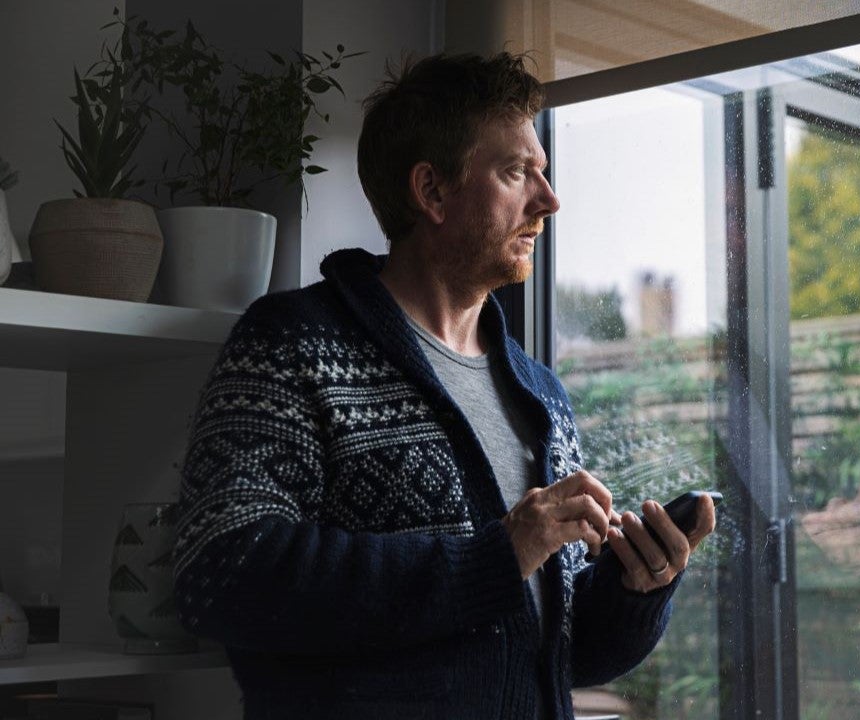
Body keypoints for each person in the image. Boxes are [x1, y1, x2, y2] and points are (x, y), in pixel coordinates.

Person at [172, 52, 717, 719]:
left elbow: (558, 652)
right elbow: (221, 572)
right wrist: (498, 556)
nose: (548, 200)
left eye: (543, 172)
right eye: (516, 172)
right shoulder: (291, 345)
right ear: (431, 191)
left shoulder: (540, 395)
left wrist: (639, 589)